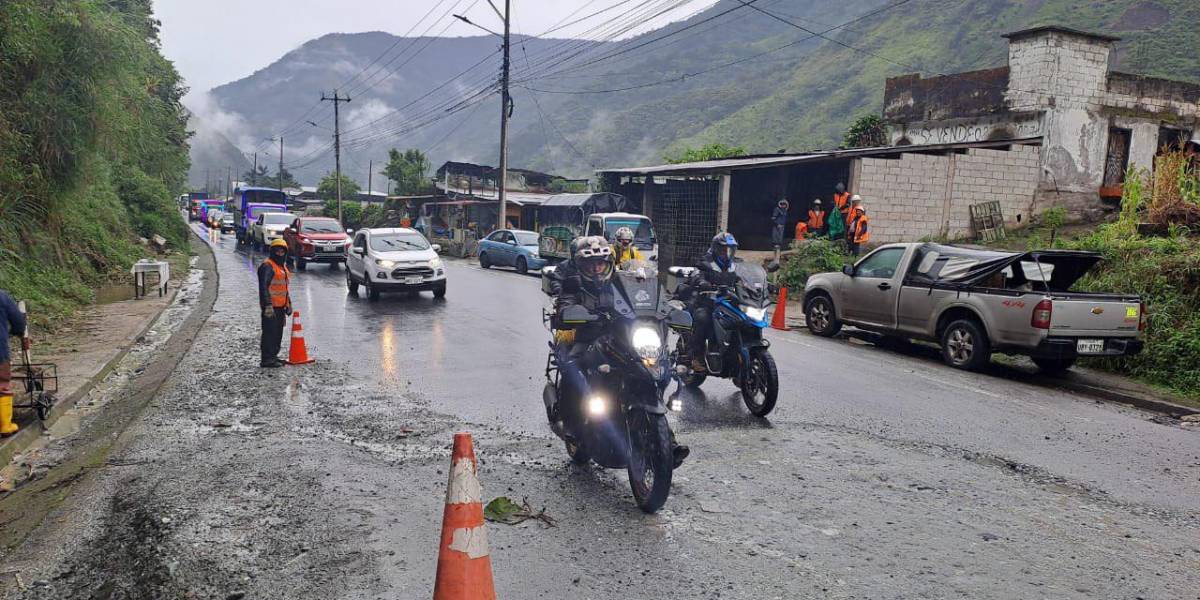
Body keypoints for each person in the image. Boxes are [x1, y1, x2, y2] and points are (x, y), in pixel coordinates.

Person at [550, 236, 688, 466]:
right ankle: (571, 425)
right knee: (572, 367)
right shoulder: (574, 284)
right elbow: (565, 306)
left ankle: (665, 439)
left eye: (601, 263)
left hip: (620, 337)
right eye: (590, 265)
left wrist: (667, 309)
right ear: (581, 266)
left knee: (652, 370)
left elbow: (647, 296)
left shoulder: (621, 280)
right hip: (589, 337)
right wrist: (572, 313)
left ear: (609, 262)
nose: (596, 269)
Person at [676, 233, 740, 373]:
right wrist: (702, 282)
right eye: (724, 249)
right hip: (707, 302)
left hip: (727, 303)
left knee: (742, 319)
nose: (726, 253)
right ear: (716, 249)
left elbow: (745, 277)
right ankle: (696, 357)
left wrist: (759, 286)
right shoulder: (706, 262)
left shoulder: (735, 265)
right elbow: (696, 274)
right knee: (703, 318)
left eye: (730, 249)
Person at [257, 239, 293, 368]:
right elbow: (264, 287)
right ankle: (267, 359)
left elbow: (284, 288)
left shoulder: (281, 267)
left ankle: (273, 356)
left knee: (277, 334)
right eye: (277, 250)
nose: (280, 253)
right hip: (271, 307)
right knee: (269, 333)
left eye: (282, 250)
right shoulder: (268, 266)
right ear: (272, 251)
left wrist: (288, 303)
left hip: (280, 307)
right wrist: (267, 305)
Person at [0, 289, 28, 436]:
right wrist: (18, 331)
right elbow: (18, 321)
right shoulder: (2, 296)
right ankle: (5, 426)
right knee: (2, 385)